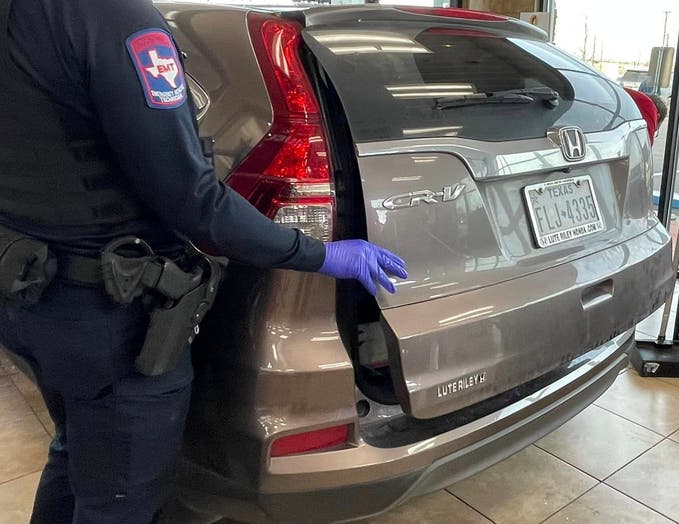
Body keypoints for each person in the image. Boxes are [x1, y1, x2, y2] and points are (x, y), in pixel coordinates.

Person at [0, 0, 406, 522]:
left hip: (33, 292)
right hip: (113, 322)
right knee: (120, 500)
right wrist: (319, 253)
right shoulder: (115, 19)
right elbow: (193, 201)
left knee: (77, 454)